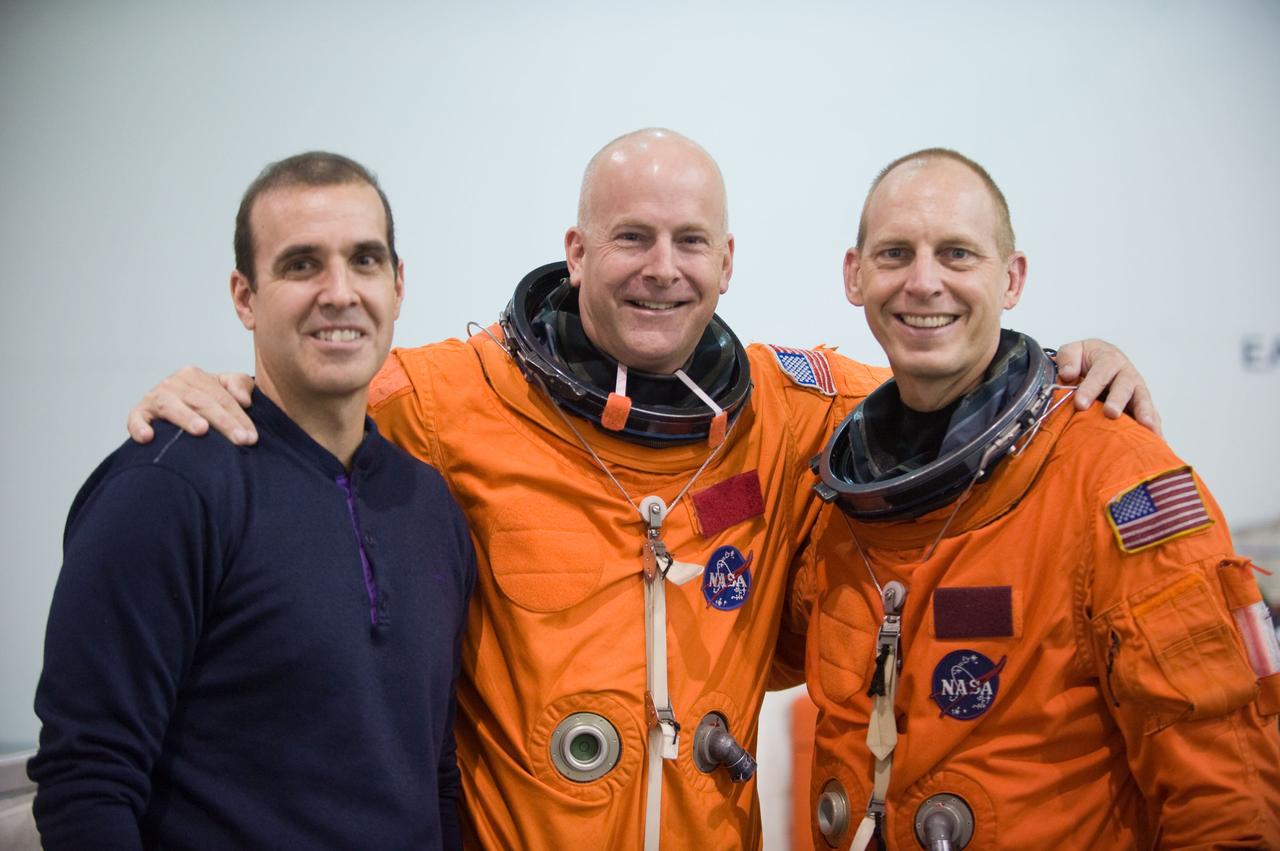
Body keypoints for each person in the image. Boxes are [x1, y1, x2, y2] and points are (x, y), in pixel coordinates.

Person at [123, 130, 1154, 849]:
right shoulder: (446, 400)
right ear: (575, 253)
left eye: (689, 241)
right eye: (629, 237)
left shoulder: (789, 410)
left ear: (726, 262)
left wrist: (1071, 368)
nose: (661, 268)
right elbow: (314, 403)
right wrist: (215, 393)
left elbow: (940, 385)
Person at [797, 149, 1280, 849]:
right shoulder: (839, 483)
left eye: (957, 254)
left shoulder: (1114, 475)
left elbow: (1227, 789)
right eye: (895, 253)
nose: (923, 282)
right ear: (855, 274)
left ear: (1011, 278)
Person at [28, 153, 475, 850]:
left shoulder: (430, 505)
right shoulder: (167, 488)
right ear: (245, 296)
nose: (339, 292)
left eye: (364, 260)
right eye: (301, 264)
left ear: (397, 284)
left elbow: (434, 772)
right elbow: (85, 782)